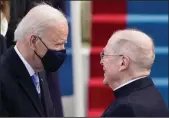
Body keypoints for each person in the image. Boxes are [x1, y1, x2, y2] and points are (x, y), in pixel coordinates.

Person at [0, 3, 68, 117]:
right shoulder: (3, 79)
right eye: (57, 44)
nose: (62, 50)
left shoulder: (39, 68)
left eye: (64, 44)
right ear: (33, 41)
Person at [100, 29, 168, 117]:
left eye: (105, 55)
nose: (101, 61)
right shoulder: (153, 95)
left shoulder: (124, 109)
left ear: (123, 62)